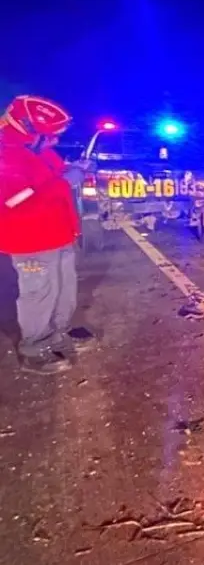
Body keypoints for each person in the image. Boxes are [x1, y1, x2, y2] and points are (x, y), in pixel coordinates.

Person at [0, 95, 93, 374]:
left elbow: (56, 174)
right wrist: (65, 183)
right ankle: (34, 348)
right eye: (50, 135)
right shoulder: (6, 157)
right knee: (39, 294)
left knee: (64, 289)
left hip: (58, 235)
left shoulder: (38, 151)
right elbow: (14, 203)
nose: (55, 140)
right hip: (31, 241)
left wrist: (75, 170)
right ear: (27, 128)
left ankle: (57, 335)